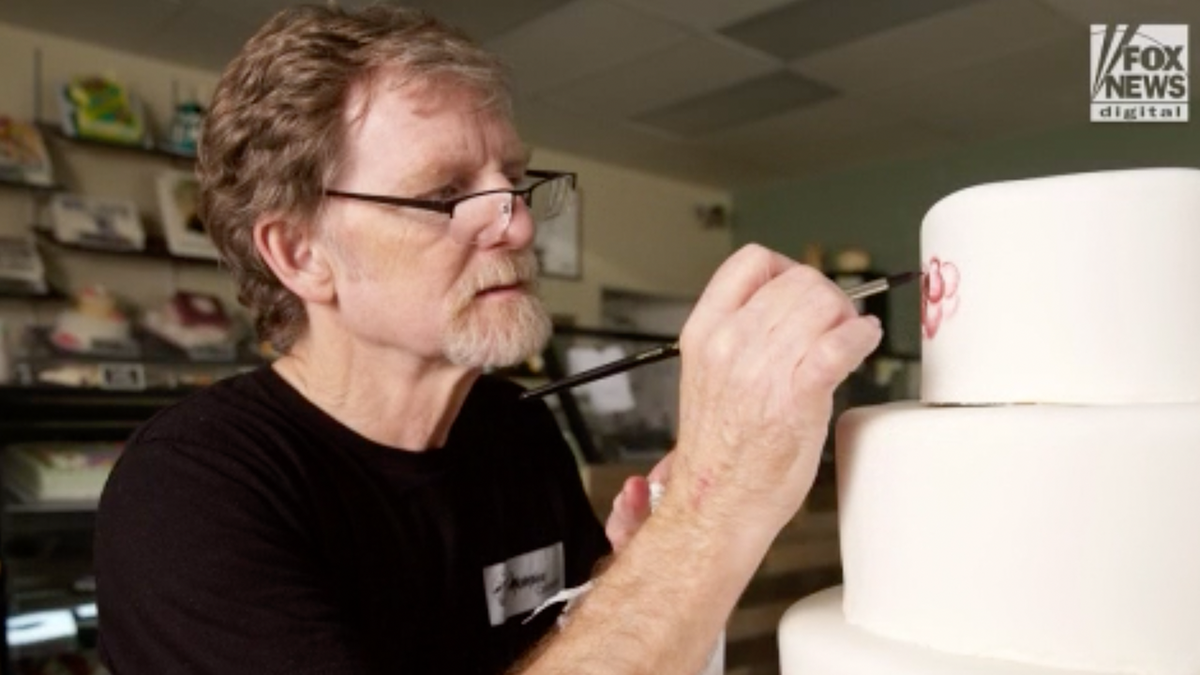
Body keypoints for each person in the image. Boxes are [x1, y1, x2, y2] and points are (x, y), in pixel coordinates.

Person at [93, 5, 882, 675]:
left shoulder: (514, 429)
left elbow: (570, 643)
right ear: (301, 254)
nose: (520, 222)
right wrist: (712, 513)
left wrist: (633, 574)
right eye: (443, 194)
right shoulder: (189, 494)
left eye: (514, 180)